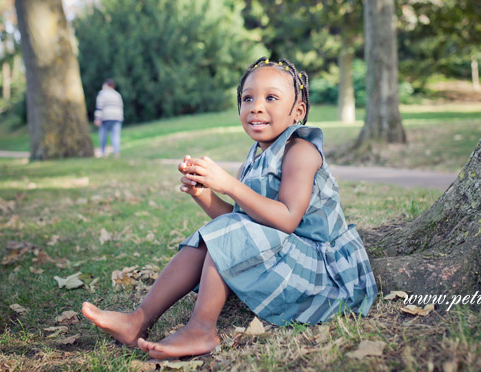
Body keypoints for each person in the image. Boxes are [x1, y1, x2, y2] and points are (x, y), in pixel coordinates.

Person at [82, 57, 377, 359]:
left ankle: (201, 330)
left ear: (297, 112)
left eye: (271, 98)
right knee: (206, 237)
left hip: (321, 270)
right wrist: (203, 193)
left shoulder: (300, 151)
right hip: (287, 254)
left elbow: (287, 219)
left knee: (225, 232)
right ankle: (138, 320)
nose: (256, 106)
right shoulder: (253, 159)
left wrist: (228, 184)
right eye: (248, 98)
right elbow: (238, 222)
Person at [94, 79, 124, 157]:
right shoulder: (117, 94)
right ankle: (116, 153)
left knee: (103, 135)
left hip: (105, 117)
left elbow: (99, 107)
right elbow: (120, 107)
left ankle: (103, 153)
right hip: (117, 118)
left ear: (106, 85)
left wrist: (97, 118)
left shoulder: (102, 94)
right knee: (116, 136)